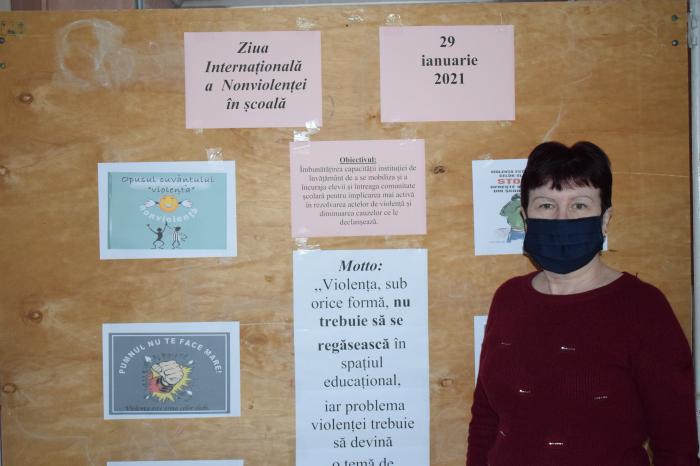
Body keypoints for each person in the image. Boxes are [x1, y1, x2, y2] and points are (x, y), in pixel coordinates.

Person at [467, 141, 698, 466]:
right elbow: (485, 420)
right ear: (525, 217)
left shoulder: (644, 308)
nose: (562, 218)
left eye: (579, 205)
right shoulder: (508, 299)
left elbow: (677, 447)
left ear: (605, 219)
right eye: (546, 205)